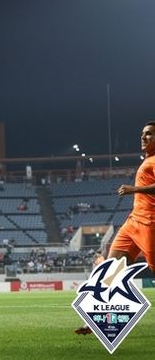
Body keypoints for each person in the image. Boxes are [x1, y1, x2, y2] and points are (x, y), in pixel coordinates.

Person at [76, 121, 155, 335]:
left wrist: (134, 189)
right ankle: (97, 320)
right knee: (110, 270)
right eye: (143, 134)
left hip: (150, 224)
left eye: (149, 134)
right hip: (133, 222)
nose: (143, 137)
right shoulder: (148, 160)